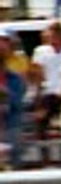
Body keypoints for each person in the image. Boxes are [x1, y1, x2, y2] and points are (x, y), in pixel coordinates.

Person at [30, 20, 61, 166]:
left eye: (54, 34)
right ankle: (44, 159)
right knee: (41, 125)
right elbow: (37, 74)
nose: (52, 37)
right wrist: (37, 96)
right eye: (49, 34)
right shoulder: (40, 52)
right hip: (47, 93)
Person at [0, 27, 28, 169]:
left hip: (11, 126)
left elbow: (18, 102)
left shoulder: (15, 79)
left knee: (13, 164)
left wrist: (6, 96)